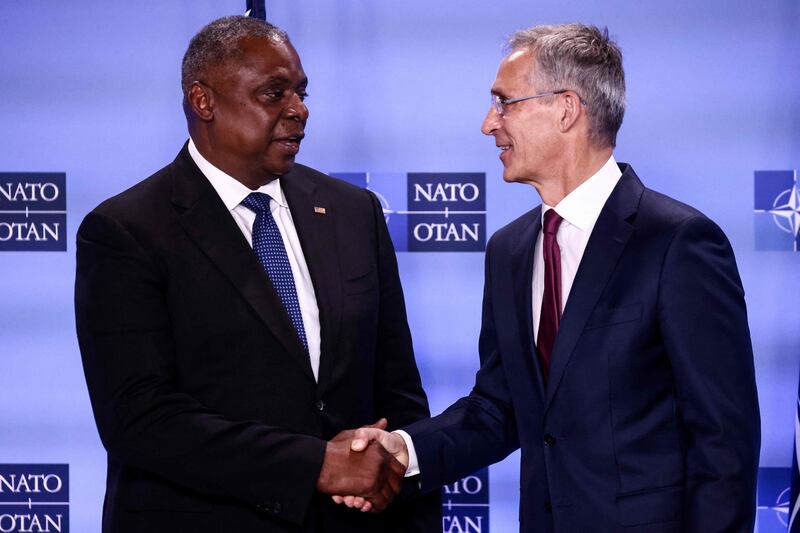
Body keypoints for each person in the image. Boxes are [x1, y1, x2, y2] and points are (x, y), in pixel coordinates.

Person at [343, 23, 760, 532]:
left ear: (566, 108)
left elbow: (723, 444)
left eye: (504, 103)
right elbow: (500, 407)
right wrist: (403, 450)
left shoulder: (678, 243)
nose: (487, 124)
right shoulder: (508, 251)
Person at [75, 15, 439, 533]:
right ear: (204, 102)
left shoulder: (352, 212)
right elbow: (140, 418)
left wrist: (391, 474)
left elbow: (397, 389)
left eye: (301, 92)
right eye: (274, 94)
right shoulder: (126, 230)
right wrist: (317, 465)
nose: (299, 111)